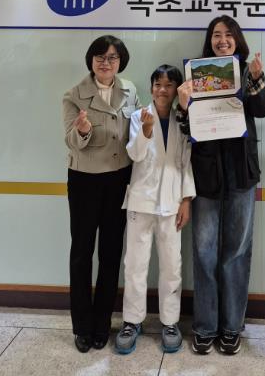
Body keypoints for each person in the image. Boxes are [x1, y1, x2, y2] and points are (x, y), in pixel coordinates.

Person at [176, 15, 265, 355]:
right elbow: (186, 128)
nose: (222, 40)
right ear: (210, 40)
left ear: (237, 39)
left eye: (228, 34)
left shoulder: (246, 72)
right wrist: (184, 106)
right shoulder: (197, 76)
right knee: (204, 253)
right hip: (205, 175)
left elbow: (263, 108)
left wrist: (257, 79)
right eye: (216, 34)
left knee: (236, 253)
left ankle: (232, 327)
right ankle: (205, 326)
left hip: (241, 174)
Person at [62, 35, 140, 353]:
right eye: (100, 57)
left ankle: (102, 323)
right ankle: (82, 326)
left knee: (110, 253)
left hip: (119, 180)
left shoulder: (130, 90)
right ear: (91, 60)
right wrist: (82, 131)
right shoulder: (74, 95)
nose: (106, 63)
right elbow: (70, 140)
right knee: (82, 253)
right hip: (85, 179)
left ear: (120, 62)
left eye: (112, 58)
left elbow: (136, 132)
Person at [115, 65, 195, 355]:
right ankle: (131, 321)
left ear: (176, 91)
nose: (163, 90)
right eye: (158, 84)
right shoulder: (139, 116)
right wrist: (146, 132)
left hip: (172, 203)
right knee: (135, 265)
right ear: (151, 88)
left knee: (172, 265)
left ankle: (170, 323)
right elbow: (134, 155)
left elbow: (186, 161)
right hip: (141, 201)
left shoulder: (182, 121)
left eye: (169, 85)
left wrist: (186, 200)